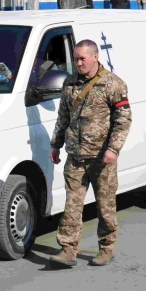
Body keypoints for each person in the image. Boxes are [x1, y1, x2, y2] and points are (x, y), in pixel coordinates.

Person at [49, 40, 132, 267]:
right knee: (72, 205)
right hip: (75, 156)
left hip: (101, 157)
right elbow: (63, 117)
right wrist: (55, 145)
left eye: (82, 58)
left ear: (95, 57)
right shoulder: (70, 83)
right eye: (76, 58)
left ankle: (106, 247)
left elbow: (122, 120)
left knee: (105, 205)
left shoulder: (113, 84)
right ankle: (68, 249)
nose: (78, 63)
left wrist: (113, 149)